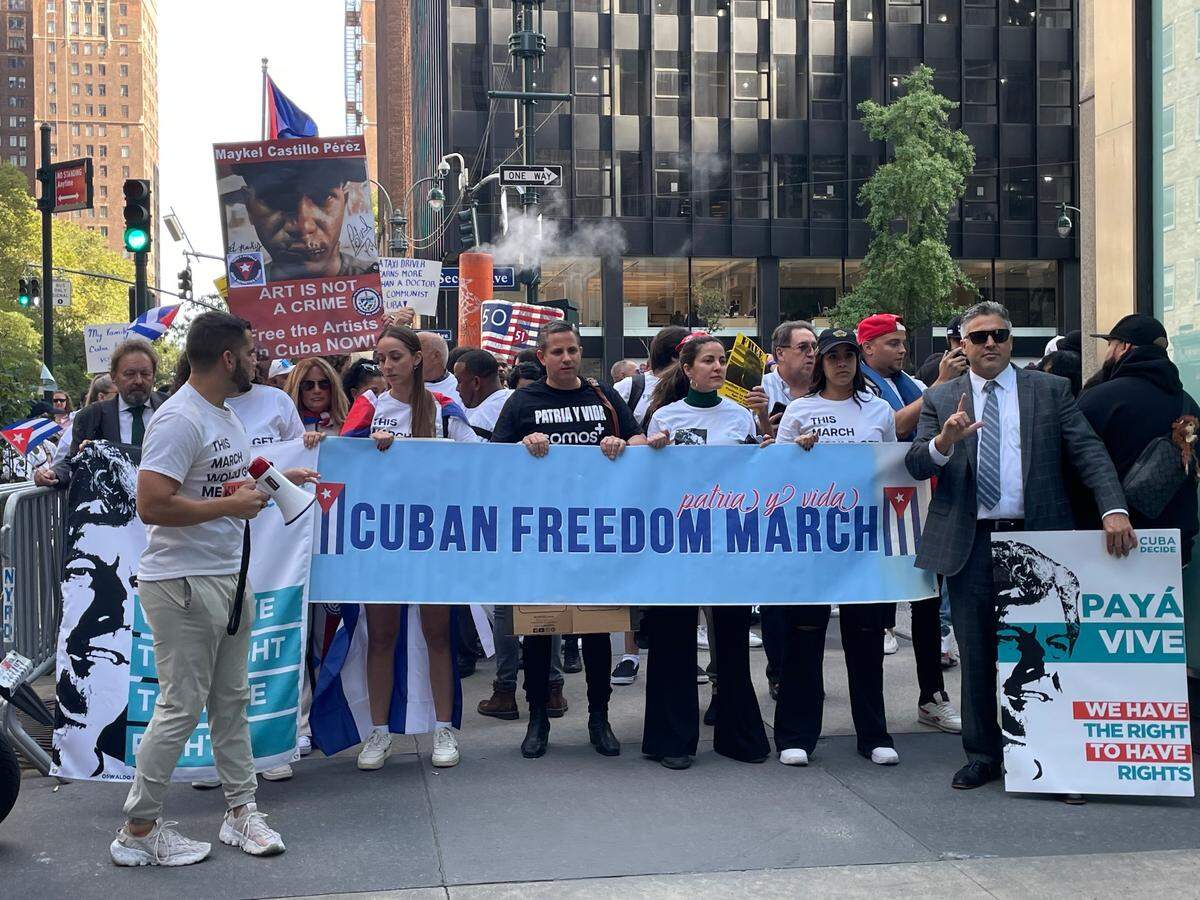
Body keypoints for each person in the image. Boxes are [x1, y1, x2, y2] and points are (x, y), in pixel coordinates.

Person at [110, 311, 317, 866]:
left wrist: (275, 480)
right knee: (181, 707)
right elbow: (152, 503)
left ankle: (241, 812)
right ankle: (137, 830)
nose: (258, 359)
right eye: (250, 351)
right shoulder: (179, 418)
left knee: (232, 700)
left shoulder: (220, 414)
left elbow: (214, 482)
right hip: (181, 583)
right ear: (228, 357)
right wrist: (232, 504)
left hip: (226, 576)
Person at [905, 300, 1133, 790]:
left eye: (1000, 335)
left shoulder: (1050, 391)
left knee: (1041, 656)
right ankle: (984, 754)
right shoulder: (942, 398)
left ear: (1011, 341)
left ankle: (1050, 758)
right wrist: (944, 442)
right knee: (978, 651)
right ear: (961, 345)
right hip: (971, 545)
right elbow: (918, 464)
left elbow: (1088, 451)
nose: (991, 344)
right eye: (980, 336)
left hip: (1038, 545)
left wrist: (1114, 508)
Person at [490, 320, 647, 759]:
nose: (566, 358)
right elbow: (492, 460)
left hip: (597, 534)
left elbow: (636, 435)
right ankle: (537, 719)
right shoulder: (523, 401)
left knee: (597, 633)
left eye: (573, 350)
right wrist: (524, 442)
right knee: (540, 633)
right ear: (542, 357)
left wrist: (623, 442)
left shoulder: (601, 396)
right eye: (557, 352)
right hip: (541, 536)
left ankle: (600, 718)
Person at [352, 324, 482, 772]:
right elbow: (337, 457)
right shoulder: (368, 405)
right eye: (380, 359)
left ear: (415, 359)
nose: (386, 367)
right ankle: (378, 731)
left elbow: (480, 460)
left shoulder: (446, 407)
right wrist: (353, 446)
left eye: (394, 357)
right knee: (381, 637)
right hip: (381, 539)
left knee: (437, 635)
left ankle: (444, 727)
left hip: (432, 538)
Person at [640, 333, 770, 770]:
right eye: (708, 361)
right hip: (677, 542)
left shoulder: (740, 417)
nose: (717, 367)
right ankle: (672, 739)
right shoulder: (664, 416)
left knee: (731, 637)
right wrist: (649, 449)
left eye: (721, 361)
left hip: (727, 540)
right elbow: (646, 478)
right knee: (673, 638)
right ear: (688, 368)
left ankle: (739, 736)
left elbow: (755, 473)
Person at [772, 327, 900, 768]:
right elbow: (777, 478)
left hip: (862, 539)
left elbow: (890, 471)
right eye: (832, 356)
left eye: (848, 355)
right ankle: (796, 734)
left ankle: (874, 734)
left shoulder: (880, 410)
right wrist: (797, 453)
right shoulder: (798, 411)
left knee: (864, 638)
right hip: (812, 540)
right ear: (820, 363)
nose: (841, 363)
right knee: (803, 640)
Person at [857, 312, 964, 733]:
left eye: (903, 343)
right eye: (892, 343)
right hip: (874, 512)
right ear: (868, 347)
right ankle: (870, 713)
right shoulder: (861, 388)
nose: (903, 350)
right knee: (871, 611)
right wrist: (937, 387)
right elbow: (894, 428)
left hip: (916, 505)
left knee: (926, 600)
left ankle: (932, 695)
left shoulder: (910, 385)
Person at [1075, 314, 1199, 564]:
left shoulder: (1098, 399)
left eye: (1110, 344)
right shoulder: (1188, 404)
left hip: (1110, 543)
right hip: (1174, 546)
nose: (1107, 352)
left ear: (1125, 346)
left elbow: (1072, 467)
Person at [37, 338, 163, 487]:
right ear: (114, 376)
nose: (138, 380)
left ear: (154, 375)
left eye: (145, 373)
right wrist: (54, 474)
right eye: (129, 374)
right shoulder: (91, 417)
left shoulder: (172, 408)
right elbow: (74, 461)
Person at [233, 158, 375, 281]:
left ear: (345, 201)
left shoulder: (374, 279)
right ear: (249, 207)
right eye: (275, 200)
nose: (304, 227)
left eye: (323, 198)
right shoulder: (246, 292)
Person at [286, 356, 349, 443]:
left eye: (324, 384)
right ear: (297, 389)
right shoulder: (284, 428)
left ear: (333, 387)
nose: (317, 390)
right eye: (308, 385)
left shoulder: (349, 426)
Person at [453, 349, 512, 440]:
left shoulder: (480, 421)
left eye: (459, 381)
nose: (457, 388)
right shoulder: (522, 399)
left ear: (476, 382)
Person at [417, 330, 463, 407]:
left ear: (436, 356)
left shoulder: (459, 391)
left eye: (417, 354)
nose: (410, 358)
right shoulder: (400, 386)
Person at [916, 316, 964, 387]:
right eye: (958, 341)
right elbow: (917, 397)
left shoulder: (932, 363)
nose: (962, 346)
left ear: (947, 339)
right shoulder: (933, 363)